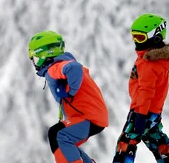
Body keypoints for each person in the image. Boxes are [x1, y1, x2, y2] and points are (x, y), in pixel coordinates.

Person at [28, 31, 109, 163]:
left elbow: (73, 68)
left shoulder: (55, 67)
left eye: (36, 59)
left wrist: (71, 90)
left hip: (89, 118)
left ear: (45, 55)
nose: (35, 64)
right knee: (66, 142)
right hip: (90, 116)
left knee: (58, 134)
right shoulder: (58, 65)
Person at [112, 14, 169, 163]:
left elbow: (146, 91)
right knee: (156, 139)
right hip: (153, 111)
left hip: (142, 110)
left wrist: (140, 116)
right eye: (134, 37)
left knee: (126, 142)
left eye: (140, 38)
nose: (136, 41)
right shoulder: (154, 58)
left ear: (155, 37)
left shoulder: (150, 63)